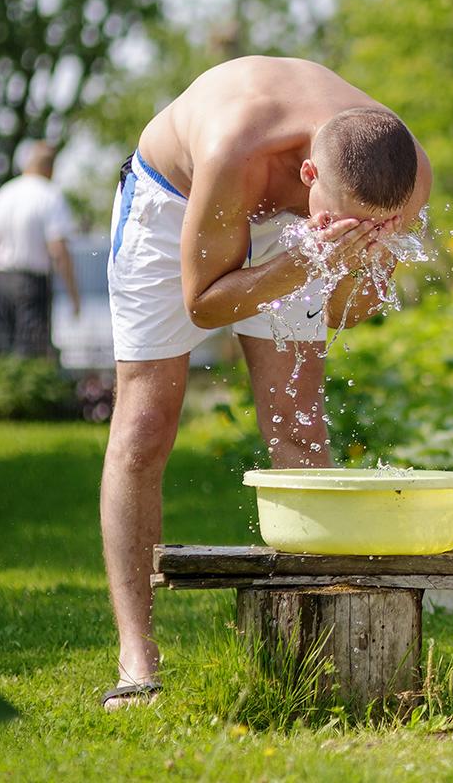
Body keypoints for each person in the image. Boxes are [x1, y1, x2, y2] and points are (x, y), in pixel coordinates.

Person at [99, 56, 432, 710]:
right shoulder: (236, 148)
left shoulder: (406, 174)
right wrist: (305, 262)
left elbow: (347, 313)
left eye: (376, 226)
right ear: (309, 176)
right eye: (347, 222)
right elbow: (204, 304)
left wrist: (355, 259)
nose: (360, 235)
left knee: (298, 425)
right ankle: (137, 661)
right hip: (175, 201)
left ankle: (317, 646)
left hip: (298, 218)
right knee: (144, 428)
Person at [0, 142, 82, 358]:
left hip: (2, 281)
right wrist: (73, 294)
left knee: (5, 347)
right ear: (50, 168)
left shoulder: (3, 193)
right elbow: (58, 249)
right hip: (32, 284)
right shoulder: (49, 195)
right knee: (32, 352)